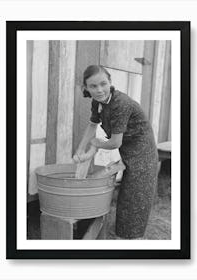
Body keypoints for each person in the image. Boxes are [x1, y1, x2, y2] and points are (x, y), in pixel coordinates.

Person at [73, 65, 158, 239]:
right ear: (86, 88)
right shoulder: (97, 102)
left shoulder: (120, 104)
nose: (99, 90)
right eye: (93, 86)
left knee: (135, 198)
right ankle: (124, 236)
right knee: (126, 196)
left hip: (143, 152)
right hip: (128, 149)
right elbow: (92, 125)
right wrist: (81, 150)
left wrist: (94, 145)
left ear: (110, 82)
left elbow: (114, 142)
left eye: (103, 84)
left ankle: (131, 240)